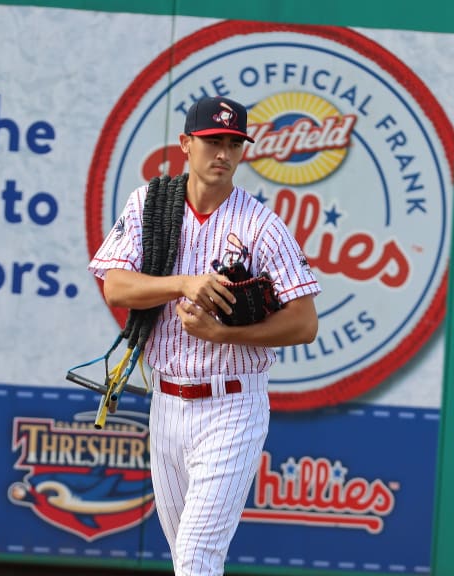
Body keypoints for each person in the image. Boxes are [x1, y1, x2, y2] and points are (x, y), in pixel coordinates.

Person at [88, 95, 320, 575]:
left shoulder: (261, 225)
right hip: (168, 404)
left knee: (196, 559)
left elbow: (304, 321)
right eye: (213, 141)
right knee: (187, 561)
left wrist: (222, 332)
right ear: (185, 144)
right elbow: (115, 286)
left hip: (232, 406)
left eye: (234, 142)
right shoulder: (149, 204)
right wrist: (182, 284)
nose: (224, 152)